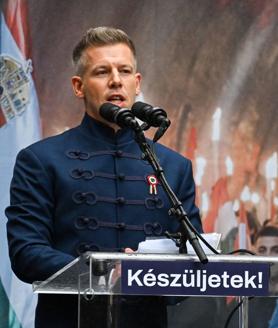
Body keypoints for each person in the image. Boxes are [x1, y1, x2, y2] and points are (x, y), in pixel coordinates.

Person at [5, 27, 202, 328]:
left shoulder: (174, 166)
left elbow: (193, 255)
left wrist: (154, 276)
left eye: (124, 71)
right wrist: (106, 271)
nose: (115, 80)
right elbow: (26, 252)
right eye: (101, 71)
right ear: (78, 86)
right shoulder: (41, 160)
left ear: (136, 84)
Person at [225, 224, 278, 328]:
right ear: (254, 253)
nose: (268, 257)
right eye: (262, 250)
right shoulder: (243, 300)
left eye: (275, 250)